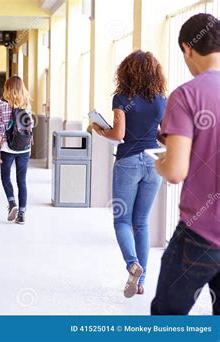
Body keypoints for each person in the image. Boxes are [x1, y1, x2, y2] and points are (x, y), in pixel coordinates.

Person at [151, 13, 220, 315]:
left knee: (168, 318)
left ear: (187, 49)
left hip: (200, 234)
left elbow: (176, 172)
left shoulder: (187, 94)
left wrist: (161, 163)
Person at [91, 50, 167, 298]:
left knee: (122, 221)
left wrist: (98, 129)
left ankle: (133, 264)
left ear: (126, 71)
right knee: (142, 222)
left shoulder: (122, 97)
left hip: (128, 162)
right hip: (154, 161)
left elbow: (118, 135)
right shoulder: (160, 99)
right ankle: (141, 281)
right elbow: (163, 134)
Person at [0, 76, 33, 225]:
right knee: (22, 180)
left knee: (5, 177)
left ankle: (12, 203)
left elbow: (1, 129)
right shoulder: (27, 105)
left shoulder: (2, 105)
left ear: (7, 88)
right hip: (24, 147)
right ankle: (22, 214)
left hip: (7, 148)